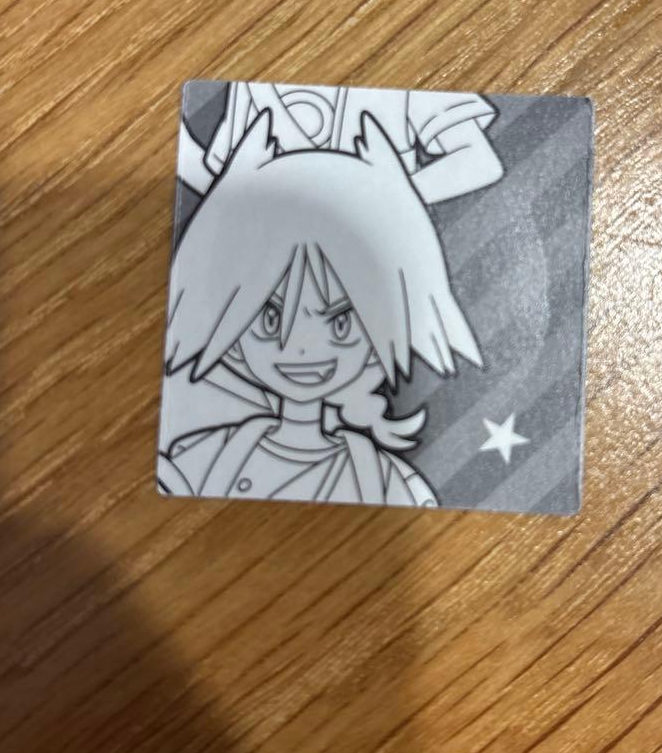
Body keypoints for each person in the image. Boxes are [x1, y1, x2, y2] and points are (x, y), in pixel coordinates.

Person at [158, 110, 481, 507]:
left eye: (341, 323)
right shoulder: (202, 459)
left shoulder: (388, 480)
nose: (301, 348)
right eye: (270, 319)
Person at [176, 80, 503, 205]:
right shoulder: (252, 86)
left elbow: (478, 160)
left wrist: (381, 204)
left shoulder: (407, 80)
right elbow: (222, 186)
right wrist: (185, 152)